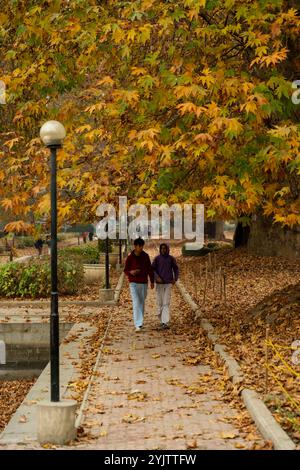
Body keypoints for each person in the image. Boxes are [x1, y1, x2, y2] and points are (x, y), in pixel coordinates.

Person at [124, 238, 154, 332]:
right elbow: (125, 270)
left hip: (143, 282)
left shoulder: (145, 256)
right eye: (139, 246)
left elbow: (150, 269)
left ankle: (140, 322)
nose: (141, 248)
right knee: (136, 302)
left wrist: (152, 281)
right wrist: (131, 272)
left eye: (142, 246)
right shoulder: (130, 257)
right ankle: (138, 324)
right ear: (135, 246)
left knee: (141, 302)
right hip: (133, 283)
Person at [151, 243, 179, 329]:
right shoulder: (157, 259)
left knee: (166, 303)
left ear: (168, 249)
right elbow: (152, 269)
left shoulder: (171, 259)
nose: (163, 250)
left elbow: (176, 268)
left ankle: (165, 322)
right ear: (160, 249)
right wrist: (156, 277)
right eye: (162, 248)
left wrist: (175, 278)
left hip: (168, 283)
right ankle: (161, 319)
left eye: (165, 248)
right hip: (159, 284)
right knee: (160, 303)